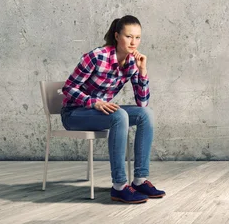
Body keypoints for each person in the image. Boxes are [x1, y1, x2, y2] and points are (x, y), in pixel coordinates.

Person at [60, 15, 165, 204]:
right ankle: (119, 186)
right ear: (117, 36)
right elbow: (68, 89)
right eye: (128, 36)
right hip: (74, 113)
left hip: (101, 112)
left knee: (146, 115)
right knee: (119, 115)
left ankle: (140, 180)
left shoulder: (133, 62)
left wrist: (143, 71)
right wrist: (94, 102)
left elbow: (142, 103)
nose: (134, 42)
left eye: (138, 37)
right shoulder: (96, 57)